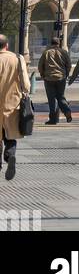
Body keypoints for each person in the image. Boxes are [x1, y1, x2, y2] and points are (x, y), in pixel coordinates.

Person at [0, 32, 30, 182]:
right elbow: (25, 82)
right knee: (10, 135)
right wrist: (26, 90)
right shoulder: (17, 59)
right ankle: (10, 155)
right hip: (12, 103)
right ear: (7, 45)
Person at [37, 35, 73, 125]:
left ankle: (53, 119)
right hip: (61, 77)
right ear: (58, 43)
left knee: (51, 99)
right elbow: (69, 64)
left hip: (49, 78)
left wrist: (42, 74)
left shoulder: (46, 53)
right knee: (60, 96)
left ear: (51, 43)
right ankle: (67, 111)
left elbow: (40, 65)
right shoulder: (64, 52)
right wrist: (66, 73)